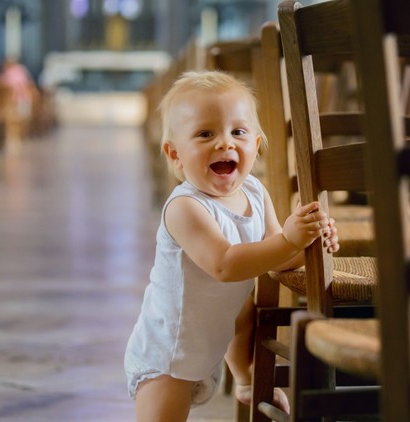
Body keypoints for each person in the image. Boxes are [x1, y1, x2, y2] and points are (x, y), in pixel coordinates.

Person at [124, 70, 340, 421]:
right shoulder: (185, 208)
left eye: (237, 132)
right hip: (166, 354)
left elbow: (275, 255)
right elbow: (225, 265)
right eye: (205, 133)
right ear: (175, 154)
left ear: (255, 145)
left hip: (213, 337)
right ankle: (240, 375)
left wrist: (309, 243)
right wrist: (287, 239)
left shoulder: (255, 191)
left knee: (244, 308)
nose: (224, 143)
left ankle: (244, 375)